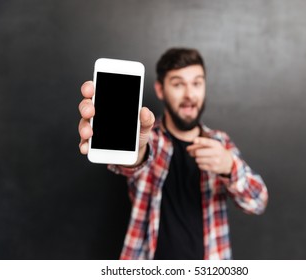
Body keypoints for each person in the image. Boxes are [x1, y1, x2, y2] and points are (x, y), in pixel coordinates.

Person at [78, 47, 268, 260]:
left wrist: (230, 167)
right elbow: (136, 163)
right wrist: (136, 152)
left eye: (197, 83)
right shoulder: (148, 138)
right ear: (160, 90)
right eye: (178, 84)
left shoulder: (220, 143)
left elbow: (258, 202)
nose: (189, 94)